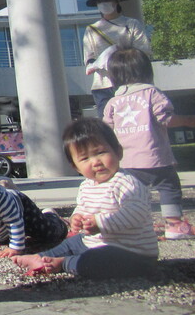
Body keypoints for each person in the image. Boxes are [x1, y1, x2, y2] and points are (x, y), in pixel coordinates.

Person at [11, 118, 158, 279]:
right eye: (85, 158)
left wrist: (100, 223)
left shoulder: (126, 183)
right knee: (72, 243)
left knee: (96, 261)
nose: (96, 162)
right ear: (76, 167)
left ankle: (64, 263)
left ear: (118, 151)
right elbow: (82, 206)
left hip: (131, 252)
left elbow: (135, 214)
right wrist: (77, 217)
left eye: (100, 152)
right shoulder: (87, 186)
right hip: (95, 243)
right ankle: (41, 257)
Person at [103, 47, 195, 239]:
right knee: (169, 187)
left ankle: (132, 225)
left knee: (132, 195)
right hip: (155, 158)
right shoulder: (151, 93)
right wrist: (187, 120)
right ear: (146, 70)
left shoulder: (113, 102)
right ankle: (174, 224)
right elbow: (165, 118)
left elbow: (106, 131)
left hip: (127, 162)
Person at [82, 0, 151, 118]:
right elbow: (88, 58)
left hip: (129, 82)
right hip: (103, 85)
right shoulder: (91, 29)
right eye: (100, 1)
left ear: (117, 1)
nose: (104, 4)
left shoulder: (132, 24)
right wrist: (95, 63)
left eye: (108, 0)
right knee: (108, 123)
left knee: (134, 120)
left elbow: (143, 51)